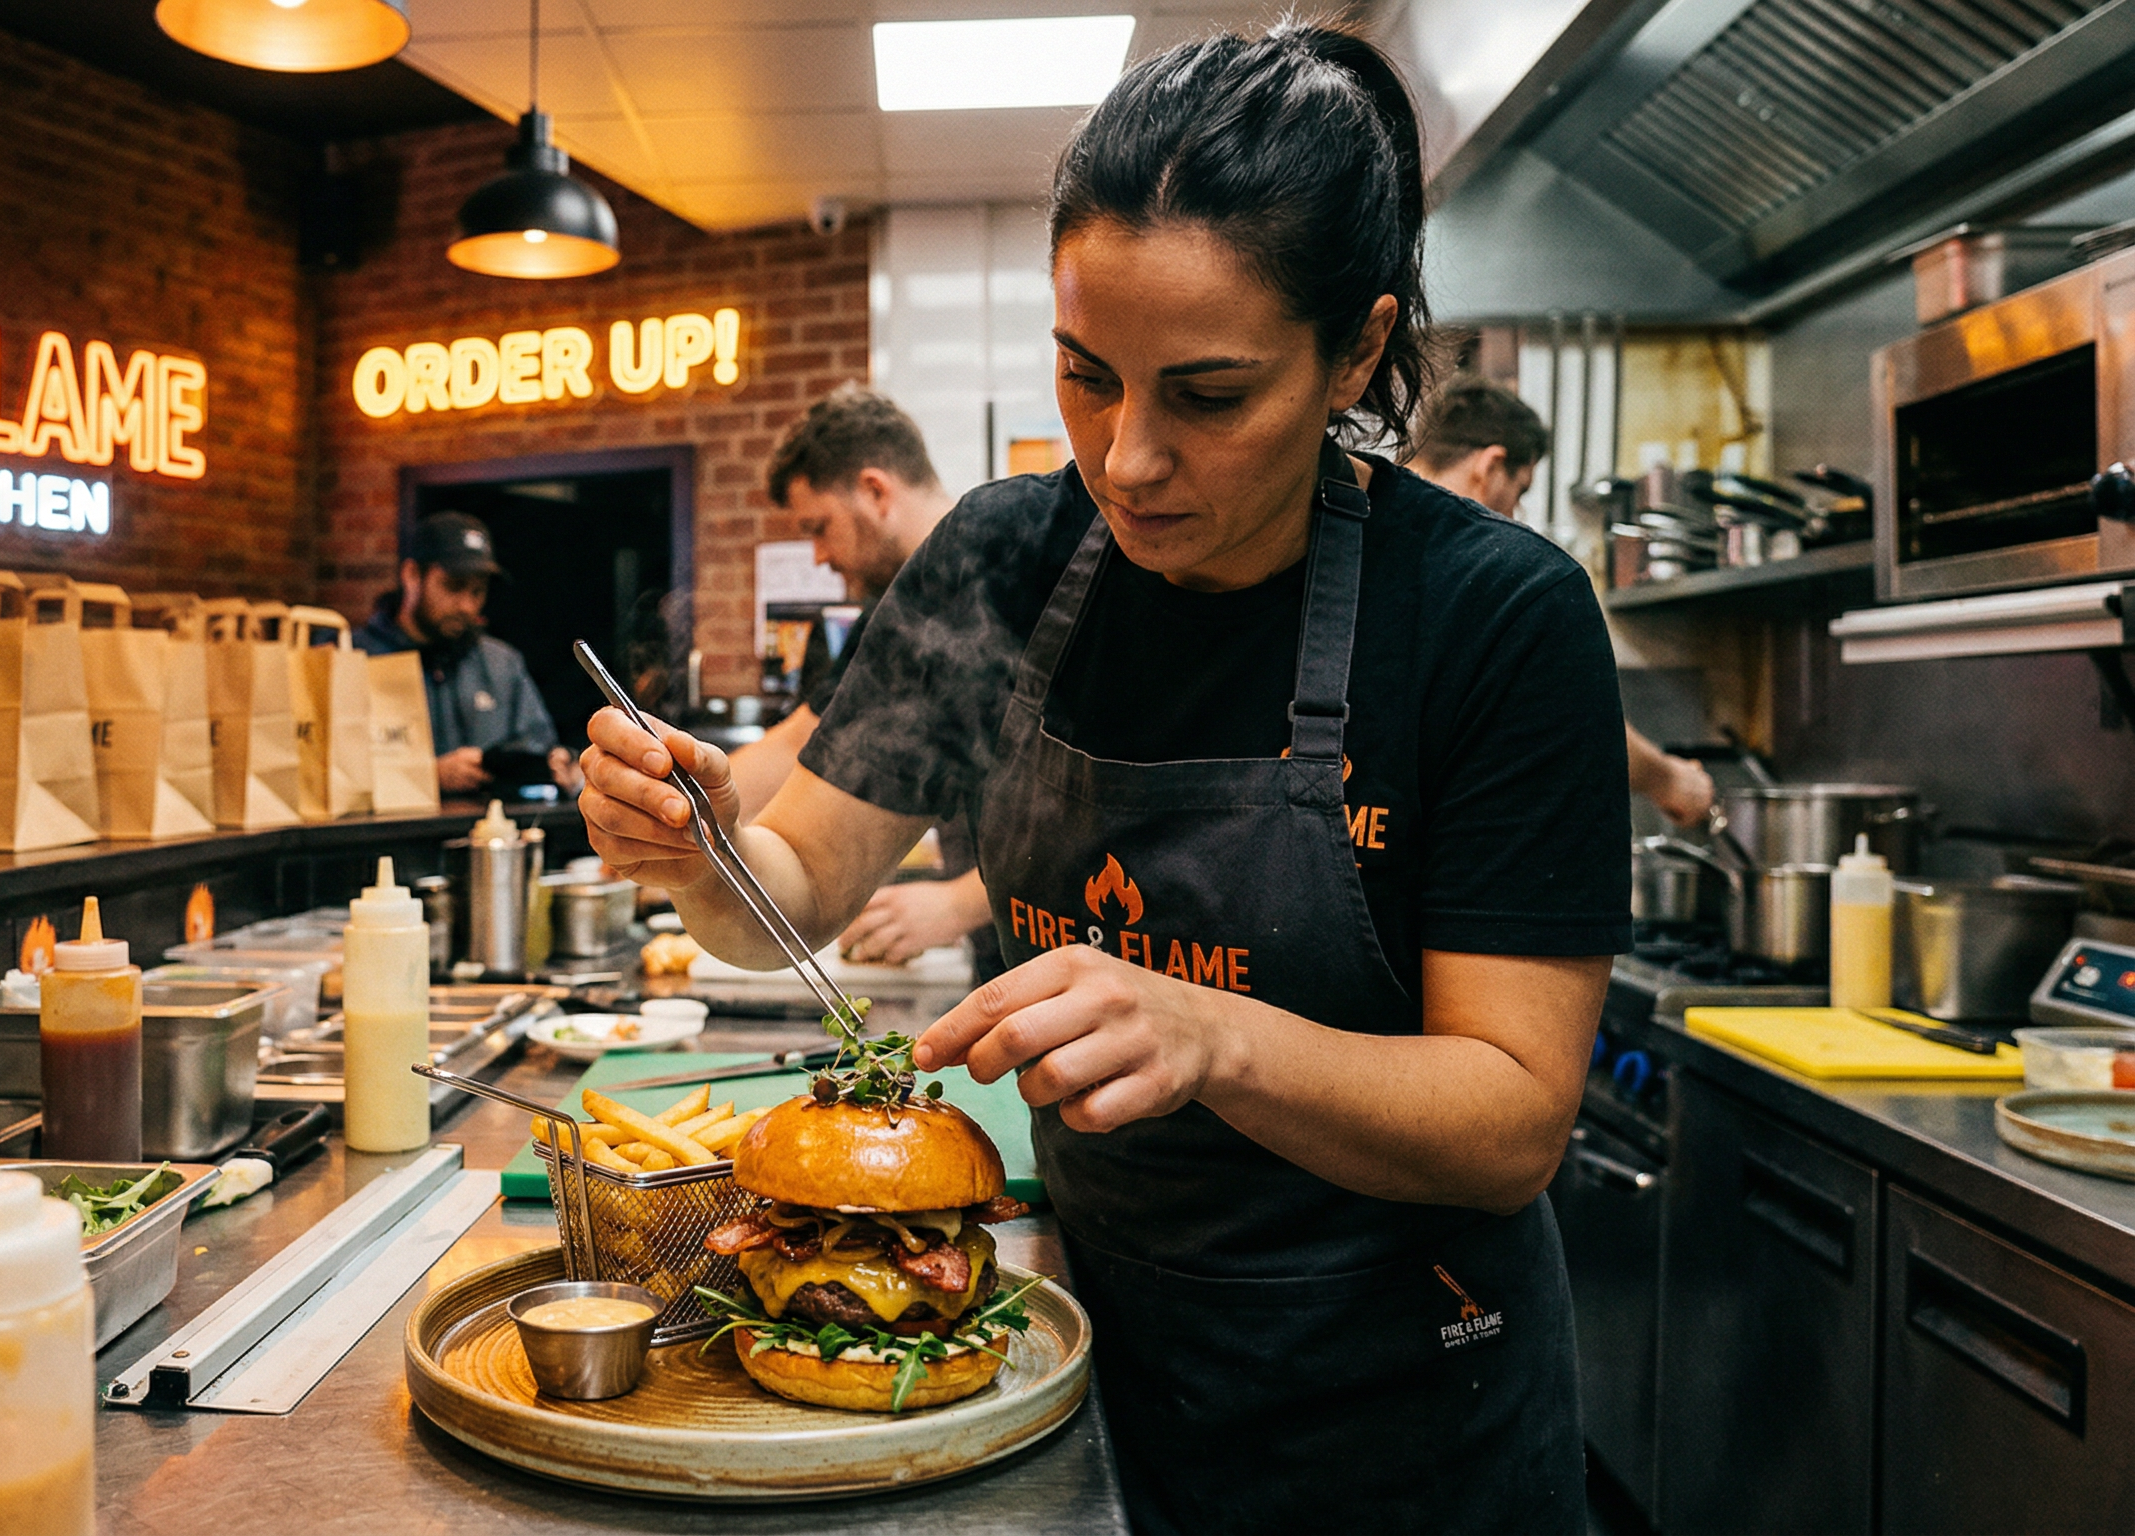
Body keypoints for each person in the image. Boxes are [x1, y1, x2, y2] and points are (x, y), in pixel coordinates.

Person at [581, 25, 1623, 1533]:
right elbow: (789, 893)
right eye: (1086, 376)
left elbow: (1514, 1115)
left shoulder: (1490, 618)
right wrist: (699, 847)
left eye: (1207, 394)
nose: (1127, 459)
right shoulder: (1004, 563)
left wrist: (1214, 1034)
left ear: (1357, 350)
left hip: (1408, 1415)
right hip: (1082, 1361)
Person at [729, 387, 987, 966]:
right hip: (1003, 959)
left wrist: (961, 903)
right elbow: (804, 738)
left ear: (874, 491)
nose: (817, 556)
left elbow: (1099, 808)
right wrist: (678, 811)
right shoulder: (898, 611)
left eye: (819, 527)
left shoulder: (1008, 578)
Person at [1408, 375, 1717, 827]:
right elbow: (1572, 717)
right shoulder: (1478, 566)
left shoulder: (1365, 527)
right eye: (1520, 491)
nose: (1514, 514)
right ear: (1491, 466)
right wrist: (1670, 780)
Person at [355, 512, 575, 796]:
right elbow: (331, 773)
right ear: (411, 575)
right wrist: (428, 775)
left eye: (478, 592)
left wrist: (557, 762)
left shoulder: (502, 663)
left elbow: (537, 743)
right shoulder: (355, 659)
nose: (467, 606)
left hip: (493, 833)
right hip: (387, 838)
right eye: (454, 586)